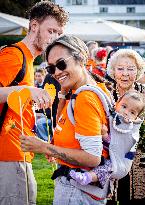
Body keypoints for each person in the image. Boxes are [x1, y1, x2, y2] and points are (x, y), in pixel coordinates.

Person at [20, 35, 115, 205]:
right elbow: (61, 126)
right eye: (51, 69)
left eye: (61, 64)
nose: (56, 72)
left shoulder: (85, 98)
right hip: (82, 189)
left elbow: (92, 158)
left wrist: (44, 147)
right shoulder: (87, 89)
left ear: (80, 58)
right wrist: (63, 94)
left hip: (77, 190)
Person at [0, 1, 68, 204]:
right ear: (34, 26)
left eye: (59, 33)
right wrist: (27, 90)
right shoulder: (13, 55)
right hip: (8, 154)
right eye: (51, 30)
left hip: (20, 152)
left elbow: (14, 103)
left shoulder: (29, 60)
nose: (54, 38)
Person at [106, 49, 145, 205]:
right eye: (120, 68)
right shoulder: (106, 93)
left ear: (138, 71)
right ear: (113, 70)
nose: (125, 73)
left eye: (131, 69)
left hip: (139, 166)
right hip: (110, 166)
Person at [69, 90, 145, 188]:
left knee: (107, 168)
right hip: (103, 154)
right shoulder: (113, 116)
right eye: (124, 106)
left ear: (136, 117)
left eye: (132, 112)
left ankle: (87, 177)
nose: (126, 112)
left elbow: (119, 145)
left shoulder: (129, 128)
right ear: (117, 104)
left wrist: (105, 135)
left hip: (119, 162)